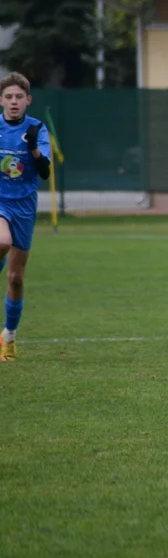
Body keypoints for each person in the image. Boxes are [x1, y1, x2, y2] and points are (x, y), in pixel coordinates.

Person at [0, 73, 52, 361]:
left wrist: (32, 147)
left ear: (28, 100)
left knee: (17, 278)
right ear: (0, 100)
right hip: (0, 201)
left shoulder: (37, 129)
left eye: (19, 97)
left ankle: (9, 337)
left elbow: (44, 172)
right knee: (2, 242)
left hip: (24, 205)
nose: (14, 101)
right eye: (8, 97)